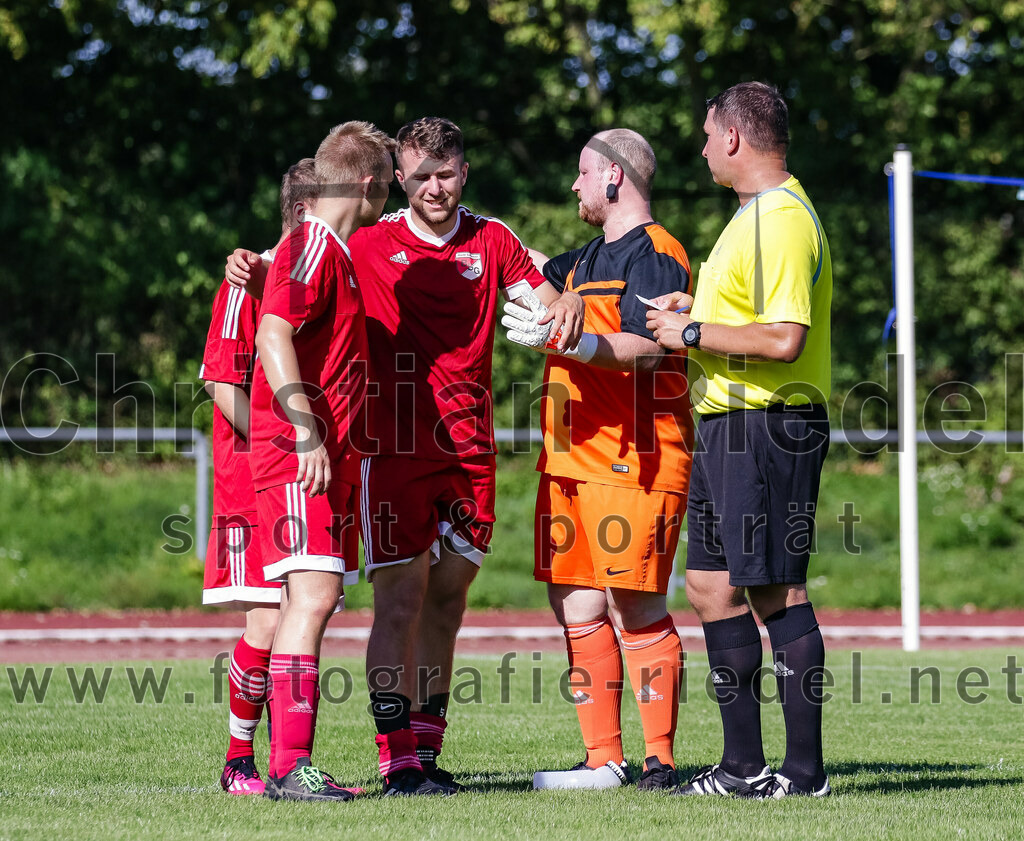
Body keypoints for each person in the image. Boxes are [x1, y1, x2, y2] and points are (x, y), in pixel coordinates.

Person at [227, 116, 584, 796]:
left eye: (444, 174)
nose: (431, 189)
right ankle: (396, 762)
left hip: (470, 448)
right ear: (395, 180)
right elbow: (288, 278)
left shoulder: (493, 238)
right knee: (397, 599)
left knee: (448, 597)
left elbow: (545, 296)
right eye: (417, 176)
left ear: (464, 173)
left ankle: (425, 751)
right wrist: (247, 263)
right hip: (387, 450)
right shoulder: (365, 238)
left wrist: (563, 301)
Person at [646, 82, 833, 799]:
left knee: (775, 588)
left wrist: (690, 333)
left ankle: (805, 774)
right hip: (727, 421)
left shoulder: (780, 219)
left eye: (705, 134)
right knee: (710, 585)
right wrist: (696, 309)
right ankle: (741, 766)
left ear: (733, 138)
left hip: (768, 422)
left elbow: (785, 339)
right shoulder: (752, 217)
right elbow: (749, 316)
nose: (699, 147)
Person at [504, 129, 693, 791]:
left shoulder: (658, 252)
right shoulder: (585, 259)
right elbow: (529, 268)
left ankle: (659, 762)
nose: (574, 185)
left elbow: (650, 346)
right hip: (571, 458)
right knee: (576, 603)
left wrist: (577, 338)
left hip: (634, 455)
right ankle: (602, 760)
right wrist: (462, 226)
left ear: (614, 177)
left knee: (635, 602)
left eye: (583, 173)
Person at [249, 121, 393, 802]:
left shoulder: (328, 248)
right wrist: (307, 431)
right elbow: (272, 331)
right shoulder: (313, 243)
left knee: (305, 599)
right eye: (389, 185)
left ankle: (286, 763)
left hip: (319, 457)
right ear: (367, 183)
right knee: (314, 595)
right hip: (299, 454)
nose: (390, 199)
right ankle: (289, 766)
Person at [200, 158, 317, 796]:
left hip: (303, 476)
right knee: (267, 624)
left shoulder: (323, 274)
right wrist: (286, 436)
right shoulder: (251, 278)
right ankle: (237, 762)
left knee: (303, 611)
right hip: (253, 478)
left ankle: (286, 766)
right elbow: (221, 383)